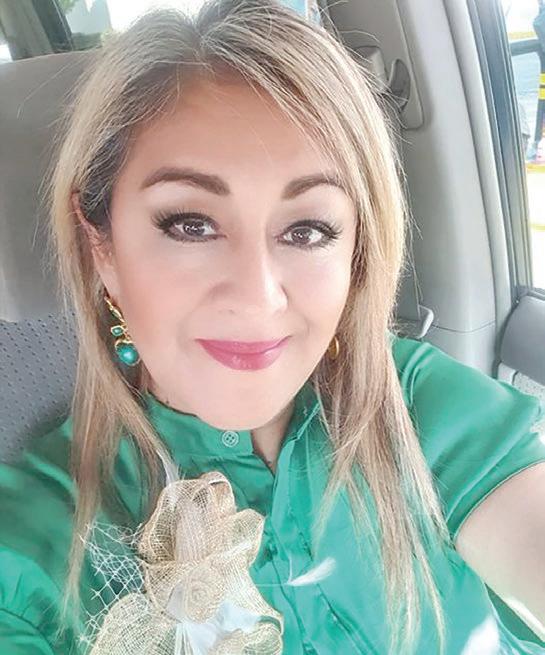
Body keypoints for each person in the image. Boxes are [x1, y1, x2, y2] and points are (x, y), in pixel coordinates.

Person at [1, 1, 545, 653]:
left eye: (306, 230)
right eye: (190, 225)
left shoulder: (418, 403)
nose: (257, 297)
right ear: (102, 245)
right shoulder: (29, 550)